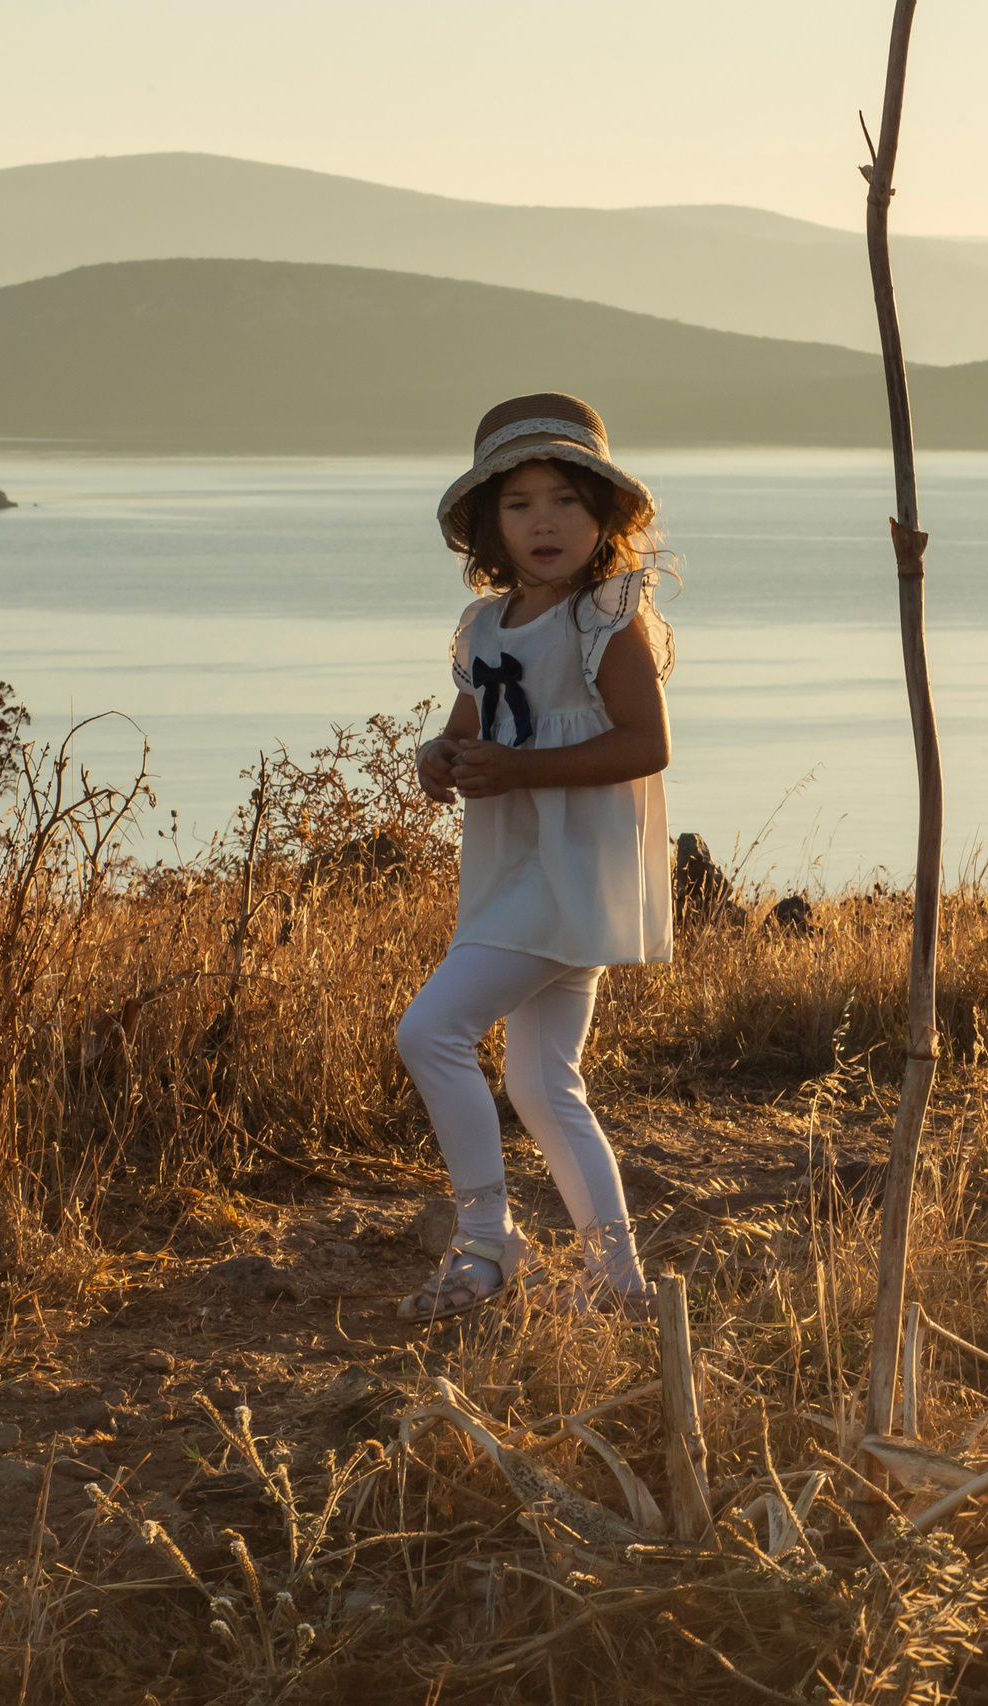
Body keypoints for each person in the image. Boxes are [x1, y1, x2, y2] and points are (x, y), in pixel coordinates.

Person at [394, 393, 674, 1322]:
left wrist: (523, 770)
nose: (544, 521)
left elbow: (645, 744)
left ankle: (486, 1239)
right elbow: (472, 724)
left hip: (572, 872)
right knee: (541, 1081)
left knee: (430, 1031)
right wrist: (442, 758)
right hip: (517, 871)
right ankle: (620, 1282)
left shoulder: (606, 617)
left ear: (603, 516)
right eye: (518, 505)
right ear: (488, 524)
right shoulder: (485, 627)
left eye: (564, 499)